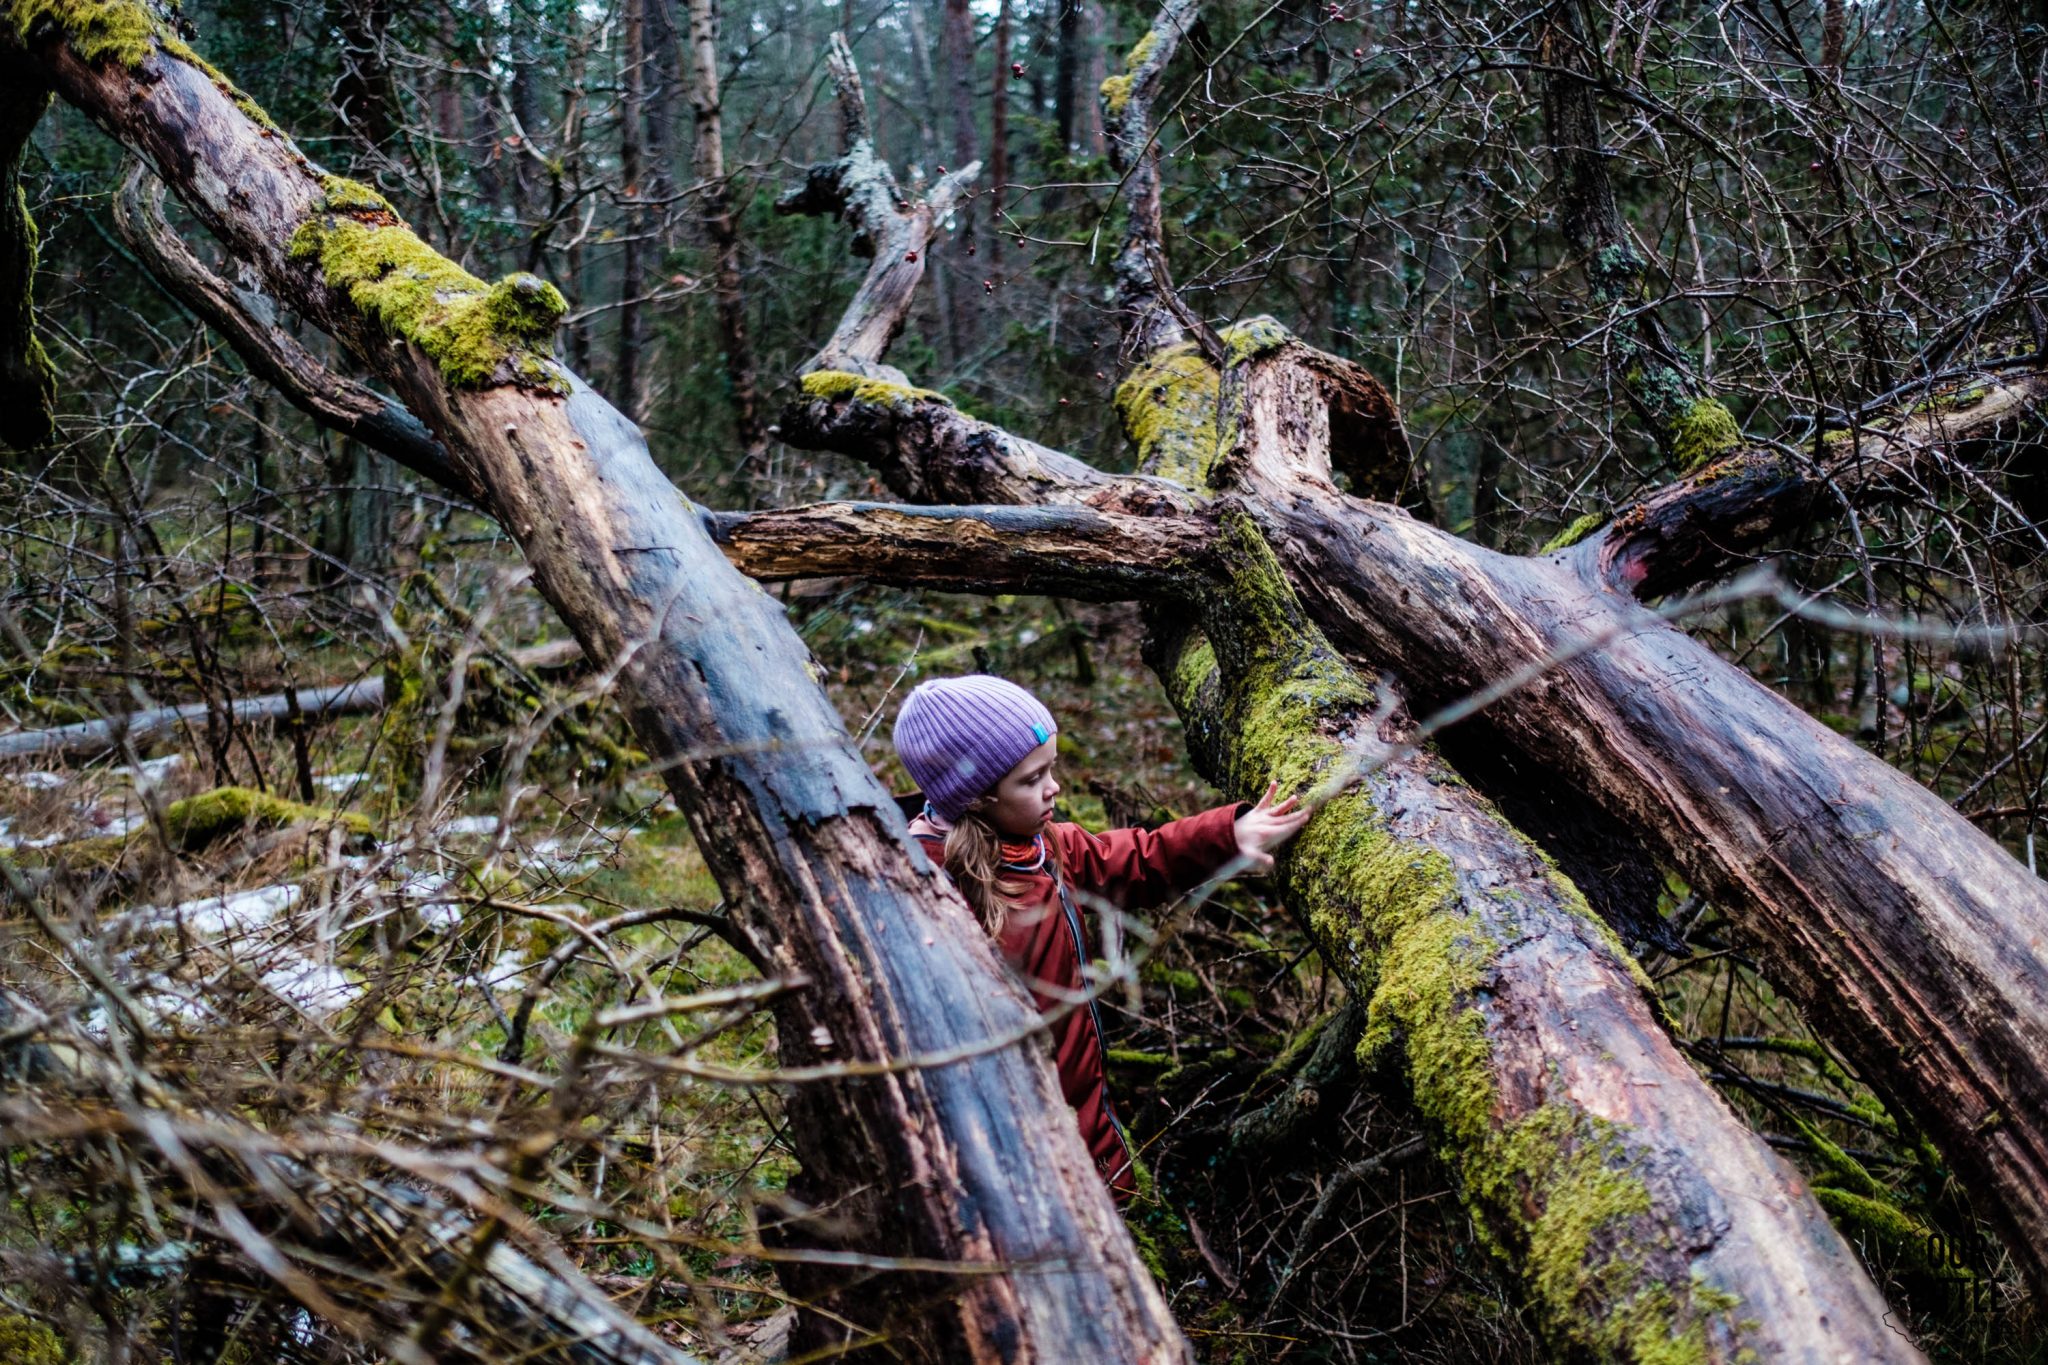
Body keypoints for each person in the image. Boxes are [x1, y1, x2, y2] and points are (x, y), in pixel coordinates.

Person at [893, 673, 1310, 1201]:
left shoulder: (1043, 845)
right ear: (975, 798)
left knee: (1119, 1203)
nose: (1054, 788)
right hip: (1024, 1140)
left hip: (1088, 1105)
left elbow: (1137, 859)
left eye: (1051, 768)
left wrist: (1229, 836)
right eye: (1031, 780)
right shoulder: (931, 892)